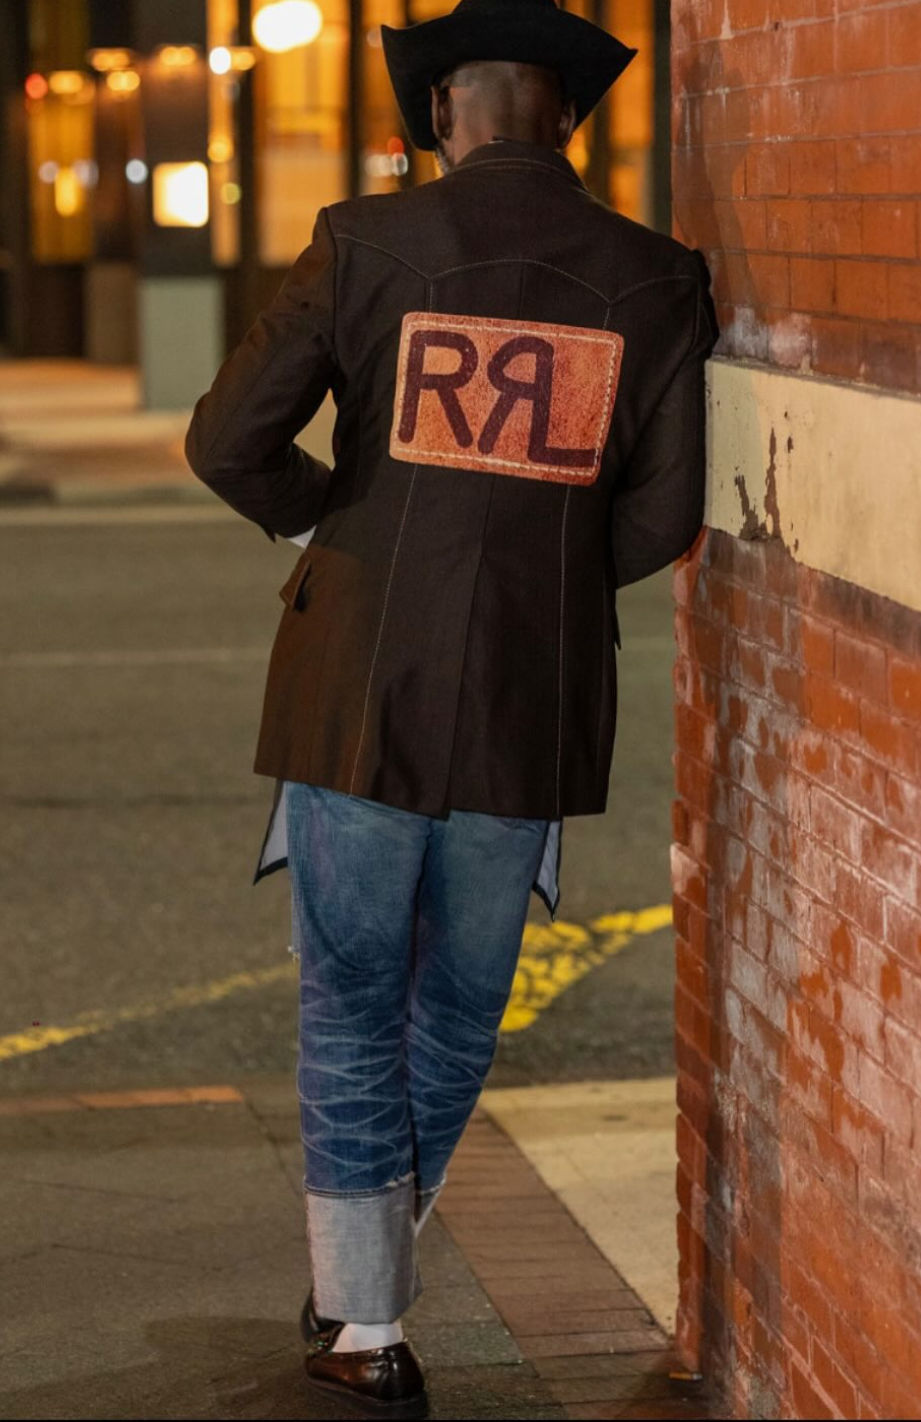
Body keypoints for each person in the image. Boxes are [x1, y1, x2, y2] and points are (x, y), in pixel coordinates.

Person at [185, 0, 719, 1413]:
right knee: (461, 1003)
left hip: (358, 677)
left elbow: (228, 437)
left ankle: (363, 1319)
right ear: (565, 124)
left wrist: (338, 531)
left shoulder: (366, 241)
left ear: (440, 121)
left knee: (353, 993)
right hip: (527, 692)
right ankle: (366, 1269)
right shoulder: (655, 277)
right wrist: (533, 574)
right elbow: (657, 513)